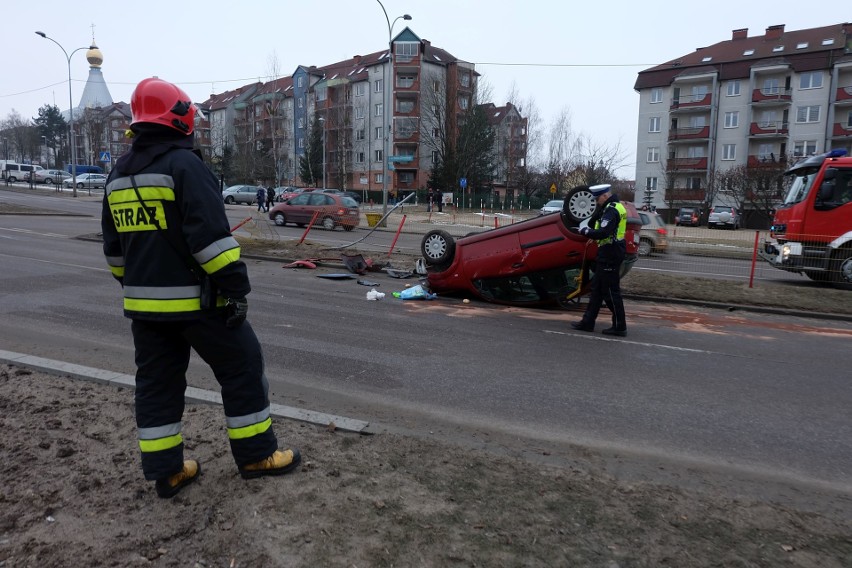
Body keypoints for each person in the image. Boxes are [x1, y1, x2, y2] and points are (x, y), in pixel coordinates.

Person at [101, 77, 300, 499]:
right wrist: (236, 289)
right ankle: (256, 456)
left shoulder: (117, 176)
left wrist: (139, 286)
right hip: (198, 303)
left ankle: (167, 471)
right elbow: (211, 242)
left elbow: (115, 253)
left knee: (156, 384)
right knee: (242, 365)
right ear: (179, 118)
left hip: (143, 308)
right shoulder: (185, 166)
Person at [570, 184, 628, 336]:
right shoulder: (613, 206)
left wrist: (586, 232)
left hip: (611, 254)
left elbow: (603, 232)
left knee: (611, 292)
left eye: (597, 199)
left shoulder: (611, 210)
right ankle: (588, 322)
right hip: (608, 253)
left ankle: (620, 326)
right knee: (596, 290)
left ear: (604, 196)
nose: (596, 202)